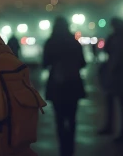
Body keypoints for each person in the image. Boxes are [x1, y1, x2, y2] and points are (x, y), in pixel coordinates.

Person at [42, 16, 86, 156]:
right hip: (73, 84)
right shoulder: (74, 42)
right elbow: (82, 63)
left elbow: (45, 63)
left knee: (59, 119)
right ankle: (71, 148)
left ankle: (63, 149)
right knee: (72, 118)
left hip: (57, 85)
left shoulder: (51, 42)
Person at [98, 17, 123, 143]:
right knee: (120, 102)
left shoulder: (118, 37)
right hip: (120, 72)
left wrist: (110, 70)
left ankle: (117, 129)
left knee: (117, 101)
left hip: (115, 73)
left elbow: (111, 52)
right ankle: (120, 130)